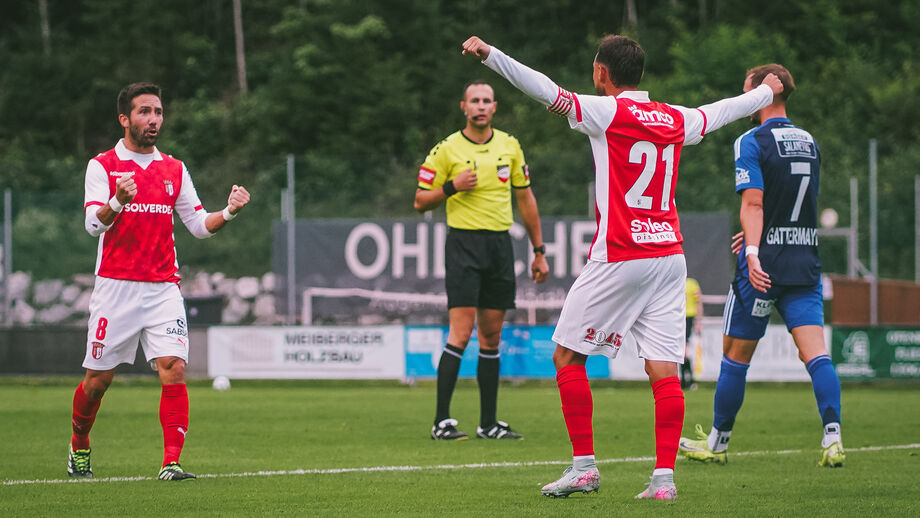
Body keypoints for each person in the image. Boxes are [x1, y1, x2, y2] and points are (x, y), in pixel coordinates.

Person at [460, 35, 782, 499]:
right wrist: (765, 93)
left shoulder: (606, 111)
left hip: (621, 253)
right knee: (664, 371)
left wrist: (490, 55)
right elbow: (725, 109)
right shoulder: (675, 117)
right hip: (670, 257)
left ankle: (585, 467)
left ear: (601, 74)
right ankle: (663, 480)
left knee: (567, 356)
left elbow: (541, 87)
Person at [68, 82, 251, 480]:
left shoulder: (174, 168)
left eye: (158, 112)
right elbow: (91, 225)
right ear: (125, 119)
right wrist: (117, 200)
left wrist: (230, 211)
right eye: (145, 112)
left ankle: (171, 462)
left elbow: (200, 226)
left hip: (163, 287)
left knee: (174, 367)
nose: (154, 119)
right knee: (98, 382)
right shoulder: (102, 166)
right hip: (115, 287)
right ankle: (79, 445)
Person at [678, 64, 845, 468]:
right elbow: (796, 203)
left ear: (761, 94)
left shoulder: (751, 139)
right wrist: (761, 234)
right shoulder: (809, 140)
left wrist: (753, 251)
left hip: (763, 266)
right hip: (803, 261)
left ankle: (717, 444)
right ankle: (833, 438)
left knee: (735, 355)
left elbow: (753, 202)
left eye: (745, 93)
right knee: (817, 354)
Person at [414, 80, 550, 441]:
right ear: (464, 106)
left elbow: (526, 200)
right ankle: (441, 421)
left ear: (494, 107)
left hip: (500, 248)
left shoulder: (510, 146)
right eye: (474, 100)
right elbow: (419, 200)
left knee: (492, 336)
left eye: (486, 100)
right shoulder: (446, 150)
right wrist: (451, 186)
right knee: (460, 333)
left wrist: (539, 251)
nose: (480, 106)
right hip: (463, 245)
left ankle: (488, 423)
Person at [681, 277, 703, 390]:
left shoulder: (692, 283)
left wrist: (698, 321)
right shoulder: (674, 280)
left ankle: (687, 381)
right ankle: (687, 381)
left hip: (688, 318)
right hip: (677, 318)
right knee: (681, 351)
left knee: (684, 351)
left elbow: (698, 302)